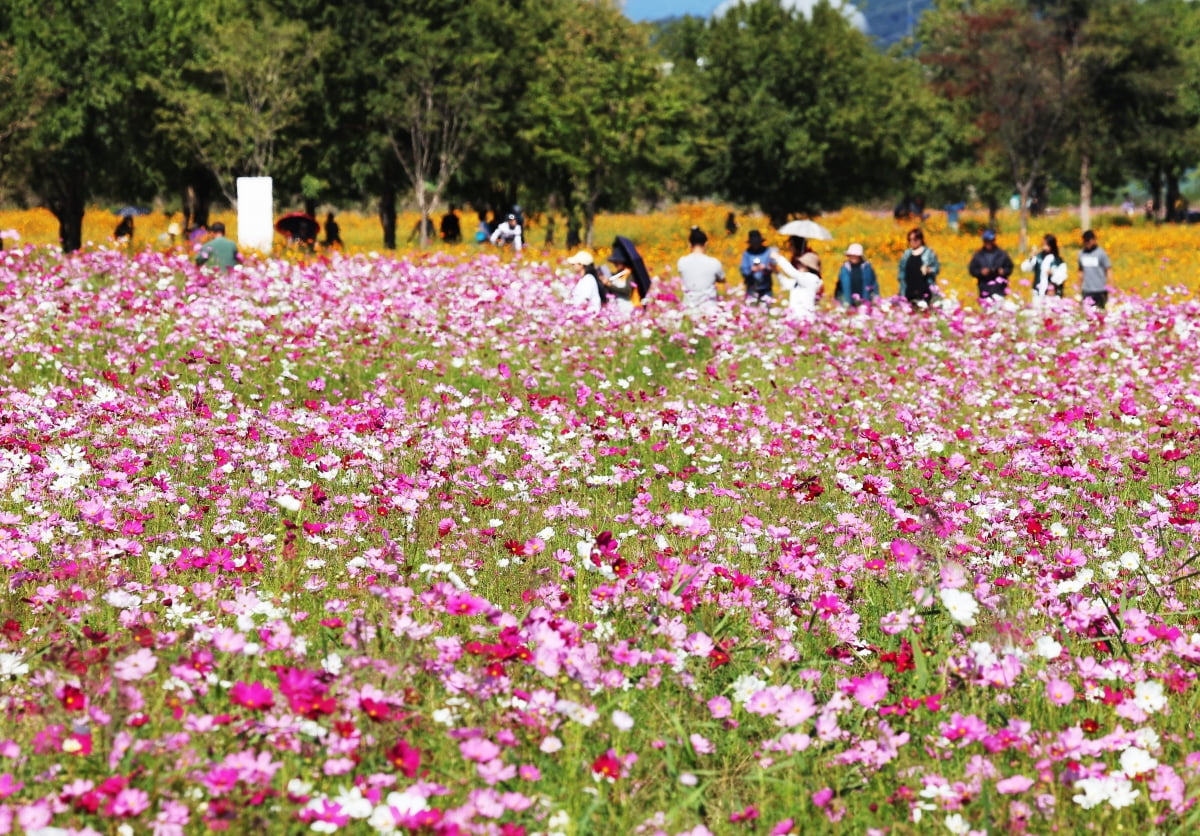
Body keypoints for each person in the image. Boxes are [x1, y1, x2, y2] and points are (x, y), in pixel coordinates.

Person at [676, 227, 726, 317]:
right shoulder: (714, 263)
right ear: (706, 244)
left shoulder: (682, 262)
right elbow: (722, 279)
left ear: (689, 244)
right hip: (710, 310)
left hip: (689, 310)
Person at [772, 250, 822, 321]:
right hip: (795, 316)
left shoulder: (812, 278)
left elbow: (793, 272)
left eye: (801, 264)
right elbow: (787, 284)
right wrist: (777, 272)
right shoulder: (802, 280)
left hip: (804, 317)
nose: (798, 265)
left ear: (808, 267)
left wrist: (778, 258)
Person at [968, 229, 1013, 303]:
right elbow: (972, 269)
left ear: (994, 240)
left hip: (999, 288)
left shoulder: (1002, 254)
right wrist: (981, 272)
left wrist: (1003, 271)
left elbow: (1009, 267)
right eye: (986, 241)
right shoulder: (978, 255)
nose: (988, 243)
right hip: (984, 288)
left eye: (990, 241)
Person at [897, 228, 939, 305]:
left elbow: (936, 268)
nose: (912, 242)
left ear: (920, 239)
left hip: (924, 292)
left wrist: (928, 270)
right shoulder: (906, 254)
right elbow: (901, 272)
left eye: (915, 239)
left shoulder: (929, 253)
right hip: (908, 292)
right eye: (910, 240)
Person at [1020, 233, 1067, 301]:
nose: (1044, 247)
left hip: (1051, 295)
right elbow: (1025, 268)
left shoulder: (1058, 261)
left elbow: (1062, 277)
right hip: (1037, 293)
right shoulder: (1038, 257)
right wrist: (1031, 257)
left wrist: (1053, 273)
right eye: (1043, 244)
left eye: (1047, 245)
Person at [1078, 229, 1113, 310]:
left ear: (1094, 240)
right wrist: (1078, 287)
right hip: (1087, 289)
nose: (1087, 244)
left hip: (1100, 289)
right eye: (1085, 241)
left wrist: (1111, 287)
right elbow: (1080, 271)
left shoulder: (1101, 253)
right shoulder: (1081, 254)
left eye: (1089, 241)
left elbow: (1108, 270)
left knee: (1100, 312)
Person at [836, 243, 879, 307]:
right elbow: (839, 286)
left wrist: (875, 298)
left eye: (855, 255)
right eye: (851, 255)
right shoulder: (845, 268)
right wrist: (838, 300)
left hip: (865, 301)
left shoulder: (867, 267)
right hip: (848, 302)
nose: (853, 257)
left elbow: (873, 283)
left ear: (860, 256)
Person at [739, 230, 776, 305]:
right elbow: (744, 270)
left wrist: (765, 267)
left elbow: (773, 266)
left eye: (757, 243)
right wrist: (752, 270)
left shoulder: (768, 251)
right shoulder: (747, 253)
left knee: (766, 311)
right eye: (754, 243)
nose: (756, 245)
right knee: (750, 311)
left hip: (766, 287)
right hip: (751, 287)